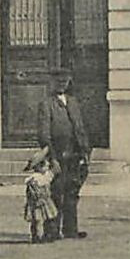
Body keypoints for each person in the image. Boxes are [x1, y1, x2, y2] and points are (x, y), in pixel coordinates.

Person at [36, 68, 91, 240]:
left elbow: (80, 128)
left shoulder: (73, 102)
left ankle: (70, 229)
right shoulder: (46, 104)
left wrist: (85, 151)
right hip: (58, 155)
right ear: (52, 84)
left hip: (75, 154)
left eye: (65, 81)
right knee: (55, 193)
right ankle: (51, 231)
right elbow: (44, 134)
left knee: (72, 192)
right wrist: (51, 158)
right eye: (58, 82)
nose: (62, 84)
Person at [22, 147, 58, 243]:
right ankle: (36, 236)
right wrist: (37, 197)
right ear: (39, 167)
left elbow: (54, 171)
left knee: (47, 218)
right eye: (45, 166)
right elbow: (32, 191)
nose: (47, 168)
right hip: (37, 202)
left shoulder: (45, 176)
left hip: (45, 200)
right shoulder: (34, 179)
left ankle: (47, 234)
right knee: (37, 220)